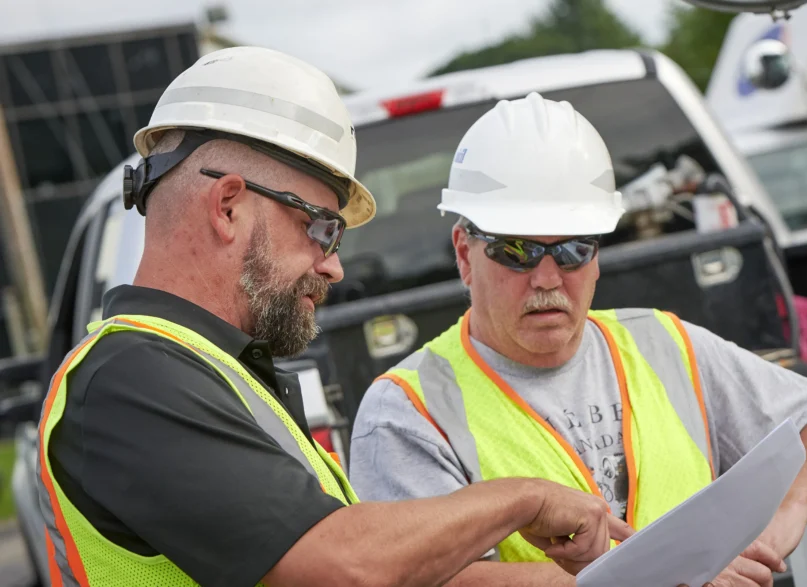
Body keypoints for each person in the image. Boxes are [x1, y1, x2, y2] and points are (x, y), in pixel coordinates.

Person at [38, 50, 632, 587]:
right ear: (227, 207)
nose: (334, 268)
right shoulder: (132, 378)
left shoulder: (209, 373)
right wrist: (522, 500)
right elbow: (344, 567)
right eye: (322, 228)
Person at [350, 92, 807, 587]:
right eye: (517, 252)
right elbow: (414, 578)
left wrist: (779, 524)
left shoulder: (663, 343)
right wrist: (658, 574)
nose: (549, 278)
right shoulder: (408, 410)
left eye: (574, 249)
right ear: (465, 254)